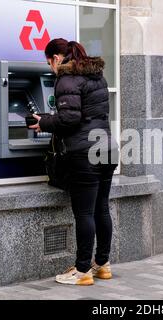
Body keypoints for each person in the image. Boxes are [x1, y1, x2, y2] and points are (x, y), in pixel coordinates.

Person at [30, 38, 119, 285]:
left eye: (49, 62)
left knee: (84, 213)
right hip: (107, 148)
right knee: (101, 208)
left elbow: (70, 118)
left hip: (84, 153)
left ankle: (82, 272)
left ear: (57, 58)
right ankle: (102, 264)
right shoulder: (97, 76)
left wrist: (44, 122)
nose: (51, 68)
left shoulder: (66, 78)